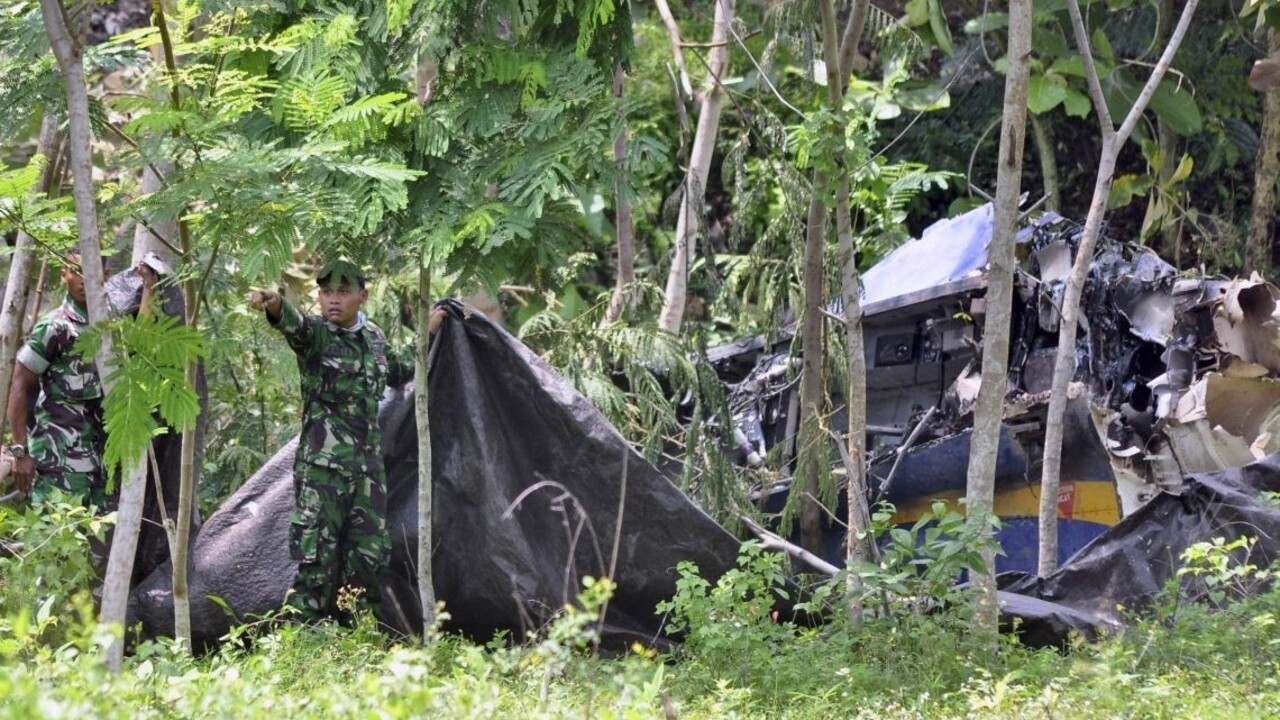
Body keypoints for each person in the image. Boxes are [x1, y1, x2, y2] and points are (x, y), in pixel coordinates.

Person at [248, 258, 417, 621]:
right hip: (322, 471)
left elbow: (399, 369)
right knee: (316, 560)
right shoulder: (316, 335)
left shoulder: (373, 338)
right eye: (326, 292)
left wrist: (429, 332)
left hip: (367, 471)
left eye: (342, 292)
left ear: (362, 296)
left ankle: (358, 634)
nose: (333, 300)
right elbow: (294, 324)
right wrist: (275, 303)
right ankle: (302, 638)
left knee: (368, 557)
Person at [5, 254, 159, 509]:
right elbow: (20, 384)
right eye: (76, 271)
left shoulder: (111, 324)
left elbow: (139, 343)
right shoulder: (55, 327)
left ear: (106, 276)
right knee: (57, 532)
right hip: (57, 462)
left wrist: (149, 287)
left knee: (95, 532)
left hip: (100, 463)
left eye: (91, 270)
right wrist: (20, 451)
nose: (84, 279)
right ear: (64, 274)